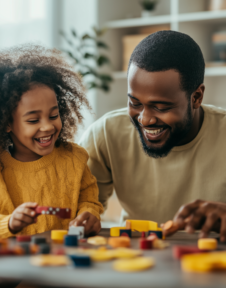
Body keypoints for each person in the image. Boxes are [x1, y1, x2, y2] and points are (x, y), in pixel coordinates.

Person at [80, 31, 226, 242]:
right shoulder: (106, 133)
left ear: (196, 97)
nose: (145, 119)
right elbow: (80, 204)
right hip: (135, 263)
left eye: (160, 107)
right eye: (135, 103)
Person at [0, 45, 103, 239]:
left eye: (53, 115)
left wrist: (88, 215)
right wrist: (10, 223)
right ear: (7, 123)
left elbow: (89, 200)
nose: (48, 127)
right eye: (33, 120)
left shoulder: (74, 158)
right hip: (16, 265)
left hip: (67, 260)